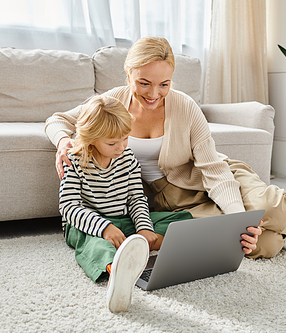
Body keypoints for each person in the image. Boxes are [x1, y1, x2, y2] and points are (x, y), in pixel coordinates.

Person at [47, 36, 286, 261]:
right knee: (256, 245)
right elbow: (57, 120)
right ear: (128, 74)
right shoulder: (112, 104)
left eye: (164, 84)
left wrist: (237, 216)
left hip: (213, 174)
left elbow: (214, 171)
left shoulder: (185, 106)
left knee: (264, 209)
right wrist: (64, 141)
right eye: (143, 83)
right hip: (171, 199)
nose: (154, 94)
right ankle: (279, 233)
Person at [58, 94, 192, 313]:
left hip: (122, 220)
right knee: (96, 246)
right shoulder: (73, 160)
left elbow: (136, 198)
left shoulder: (128, 158)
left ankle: (147, 243)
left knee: (179, 218)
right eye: (112, 143)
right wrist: (104, 228)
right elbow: (70, 207)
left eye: (125, 138)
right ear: (91, 138)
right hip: (86, 225)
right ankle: (117, 271)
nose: (121, 147)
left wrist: (144, 227)